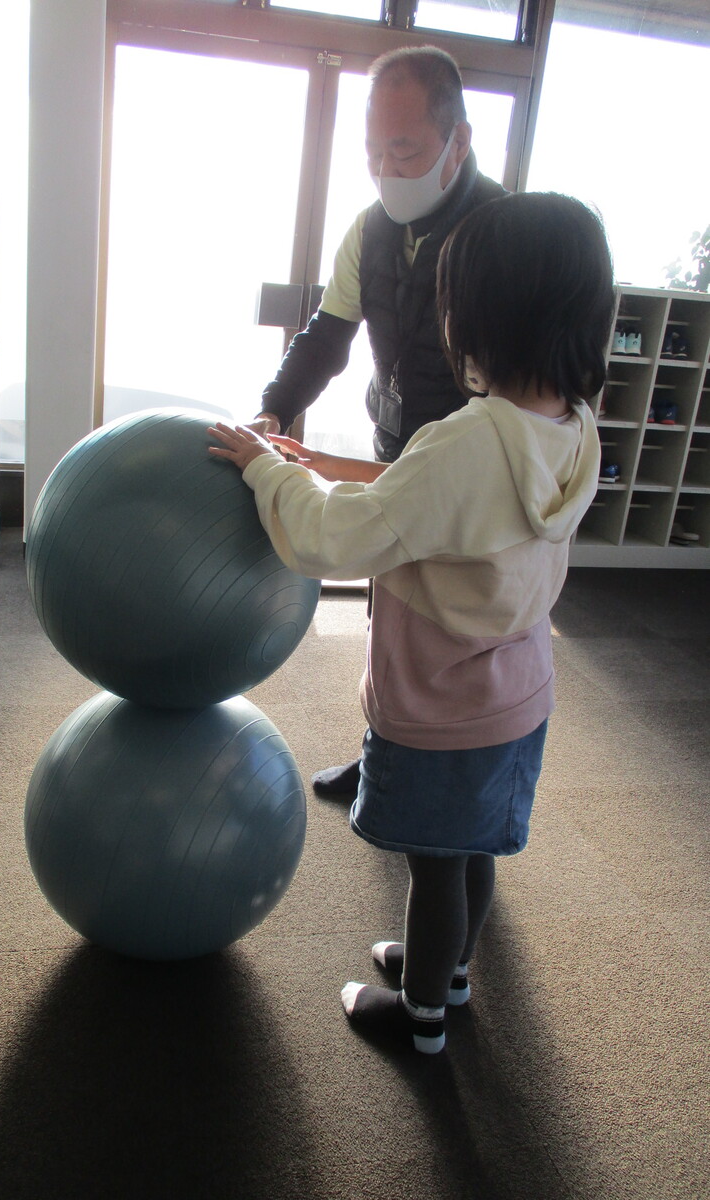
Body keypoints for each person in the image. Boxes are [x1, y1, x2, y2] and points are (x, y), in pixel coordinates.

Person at [209, 190, 614, 1053]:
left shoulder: (465, 443)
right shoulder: (574, 429)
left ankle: (422, 1016)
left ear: (476, 319)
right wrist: (315, 463)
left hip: (441, 706)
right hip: (516, 692)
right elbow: (417, 503)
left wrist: (269, 475)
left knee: (433, 864)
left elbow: (333, 536)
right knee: (473, 855)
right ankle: (454, 970)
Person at [250, 45, 506, 802]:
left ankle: (454, 786)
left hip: (467, 463)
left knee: (455, 630)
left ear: (458, 141)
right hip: (397, 441)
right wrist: (274, 405)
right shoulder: (370, 230)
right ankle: (384, 754)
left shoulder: (503, 236)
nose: (388, 170)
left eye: (407, 151)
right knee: (388, 611)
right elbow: (329, 333)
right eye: (374, 153)